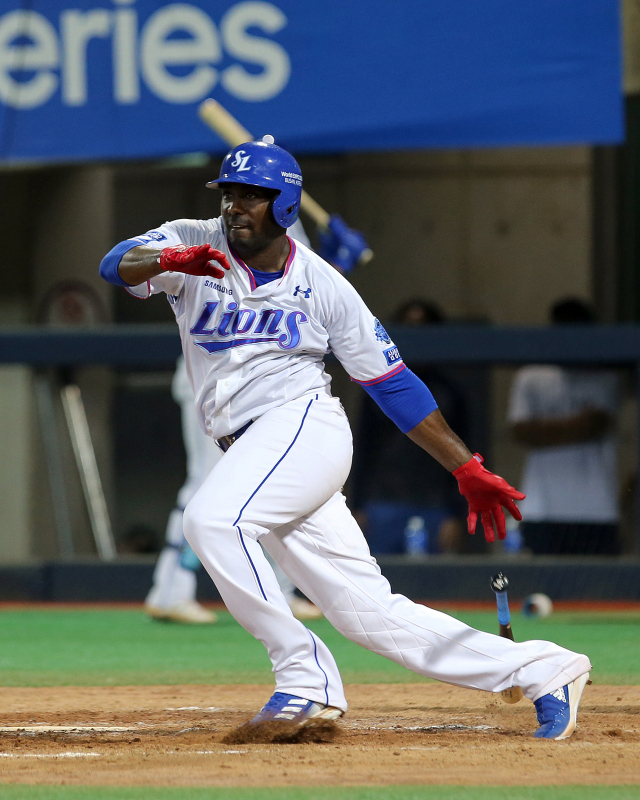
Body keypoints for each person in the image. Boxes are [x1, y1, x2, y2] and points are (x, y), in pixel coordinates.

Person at [100, 138, 591, 741]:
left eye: (254, 196)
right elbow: (115, 263)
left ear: (286, 206)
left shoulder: (321, 281)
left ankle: (304, 678)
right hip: (253, 449)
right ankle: (545, 669)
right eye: (230, 193)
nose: (236, 207)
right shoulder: (191, 237)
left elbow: (391, 383)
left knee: (214, 520)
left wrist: (465, 466)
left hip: (304, 427)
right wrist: (168, 263)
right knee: (369, 615)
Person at [145, 215, 329, 623]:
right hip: (217, 378)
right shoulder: (229, 228)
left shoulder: (288, 228)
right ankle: (170, 588)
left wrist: (333, 256)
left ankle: (280, 588)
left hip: (262, 382)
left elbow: (307, 295)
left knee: (273, 483)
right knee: (206, 482)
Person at [352, 299, 467, 554]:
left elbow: (464, 450)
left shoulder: (451, 390)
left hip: (434, 505)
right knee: (380, 581)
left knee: (433, 589)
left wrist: (456, 513)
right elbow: (364, 447)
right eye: (409, 326)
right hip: (382, 502)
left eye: (423, 327)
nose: (416, 334)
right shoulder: (377, 385)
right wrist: (358, 505)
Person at [507, 298, 621, 555]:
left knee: (600, 593)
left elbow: (594, 426)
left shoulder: (605, 377)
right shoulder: (532, 375)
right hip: (542, 508)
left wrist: (544, 430)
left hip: (596, 509)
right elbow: (521, 431)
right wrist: (576, 425)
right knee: (541, 592)